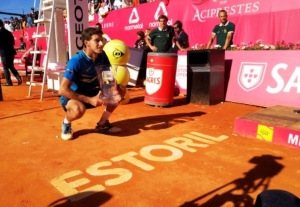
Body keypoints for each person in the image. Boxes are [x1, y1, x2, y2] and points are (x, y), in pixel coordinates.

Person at [58, 27, 126, 140]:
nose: (101, 43)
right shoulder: (76, 61)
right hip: (72, 97)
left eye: (102, 40)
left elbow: (107, 78)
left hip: (92, 93)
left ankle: (102, 124)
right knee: (78, 110)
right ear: (87, 43)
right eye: (97, 40)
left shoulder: (102, 55)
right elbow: (63, 90)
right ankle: (66, 123)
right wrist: (90, 100)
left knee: (120, 90)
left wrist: (112, 91)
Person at [0, 20, 22, 86]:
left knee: (5, 67)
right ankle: (18, 78)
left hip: (4, 52)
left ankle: (8, 82)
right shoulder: (9, 32)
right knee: (11, 66)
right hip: (11, 51)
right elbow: (13, 43)